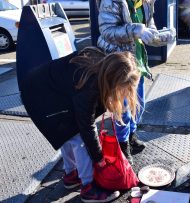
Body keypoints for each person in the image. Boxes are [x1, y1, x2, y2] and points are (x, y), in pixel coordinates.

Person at [20, 47, 140, 203]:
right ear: (111, 81)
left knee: (67, 133)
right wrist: (99, 158)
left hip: (43, 88)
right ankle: (88, 188)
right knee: (78, 138)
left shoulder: (102, 64)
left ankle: (71, 174)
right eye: (122, 89)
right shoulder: (89, 85)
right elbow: (87, 126)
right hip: (39, 95)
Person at [96, 0, 174, 164]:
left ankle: (131, 136)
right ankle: (122, 147)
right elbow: (107, 31)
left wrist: (159, 36)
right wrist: (136, 30)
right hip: (119, 63)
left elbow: (150, 27)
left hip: (137, 61)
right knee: (122, 107)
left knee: (138, 104)